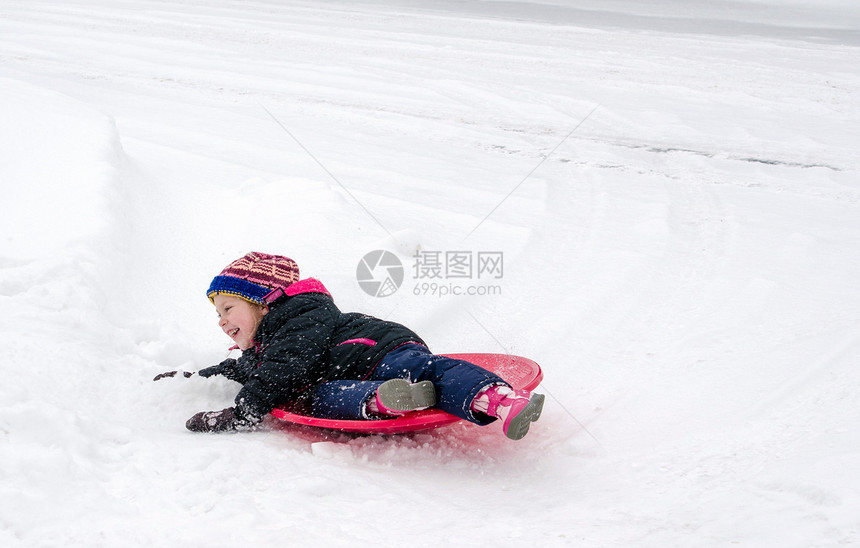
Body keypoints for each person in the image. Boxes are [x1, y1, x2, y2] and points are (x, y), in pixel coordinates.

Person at [156, 252, 544, 440]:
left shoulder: (300, 318)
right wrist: (193, 378)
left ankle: (501, 399)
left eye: (228, 308)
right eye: (217, 315)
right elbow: (244, 370)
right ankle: (387, 400)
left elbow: (285, 367)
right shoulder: (264, 348)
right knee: (321, 398)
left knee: (424, 369)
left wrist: (241, 413)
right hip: (353, 377)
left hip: (377, 350)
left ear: (263, 301)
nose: (222, 321)